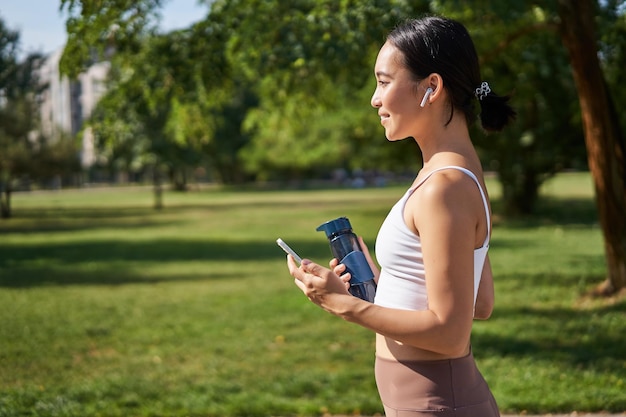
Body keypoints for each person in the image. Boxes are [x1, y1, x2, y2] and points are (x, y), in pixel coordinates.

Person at [286, 15, 515, 417]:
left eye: (384, 81)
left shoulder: (444, 187)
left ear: (431, 87)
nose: (375, 99)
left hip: (438, 403)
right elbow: (480, 300)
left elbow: (450, 333)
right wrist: (381, 280)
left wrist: (342, 305)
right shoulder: (454, 173)